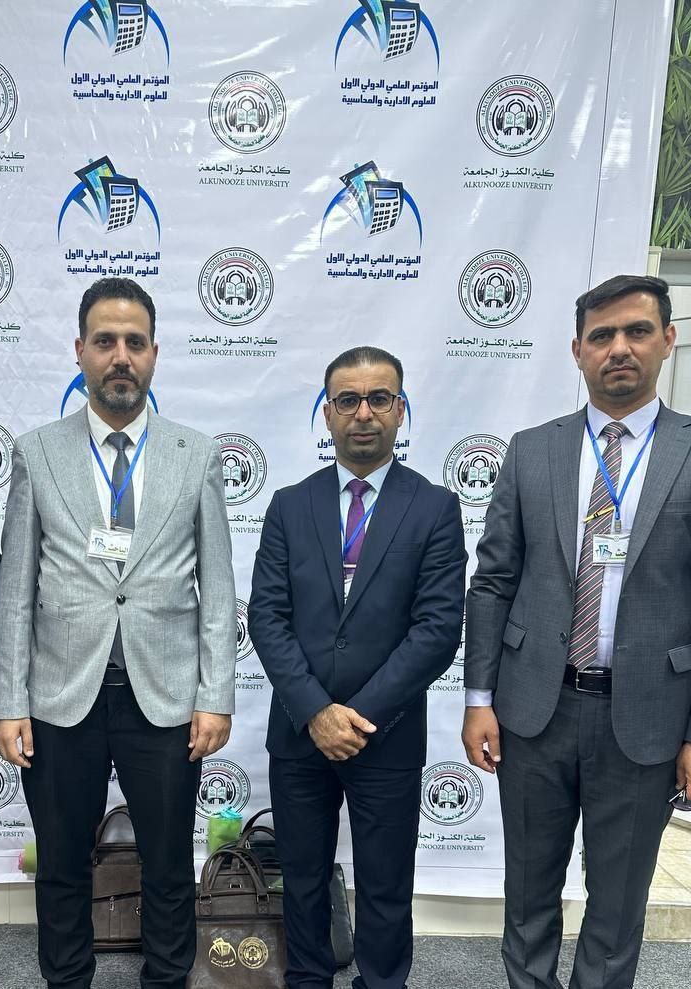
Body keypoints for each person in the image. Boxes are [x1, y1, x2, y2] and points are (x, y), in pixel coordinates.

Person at [0, 277, 236, 989]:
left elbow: (218, 589)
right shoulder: (37, 453)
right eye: (105, 341)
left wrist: (215, 694)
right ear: (80, 351)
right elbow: (15, 593)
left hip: (164, 697)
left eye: (134, 342)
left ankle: (166, 979)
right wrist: (8, 702)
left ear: (155, 353)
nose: (119, 356)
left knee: (167, 863)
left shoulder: (196, 454)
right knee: (62, 863)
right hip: (60, 696)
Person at [463, 274, 691, 989]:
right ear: (578, 351)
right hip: (536, 709)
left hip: (649, 716)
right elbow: (493, 580)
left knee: (617, 907)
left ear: (667, 340)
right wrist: (478, 699)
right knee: (529, 894)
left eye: (637, 331)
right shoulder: (533, 450)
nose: (619, 348)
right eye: (602, 336)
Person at [248, 346, 466, 989]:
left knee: (385, 884)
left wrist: (358, 716)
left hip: (386, 735)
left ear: (400, 410)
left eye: (379, 399)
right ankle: (307, 979)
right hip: (300, 734)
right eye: (347, 400)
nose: (363, 413)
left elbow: (437, 630)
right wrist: (316, 712)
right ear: (328, 413)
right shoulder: (290, 505)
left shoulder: (434, 508)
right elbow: (266, 616)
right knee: (302, 879)